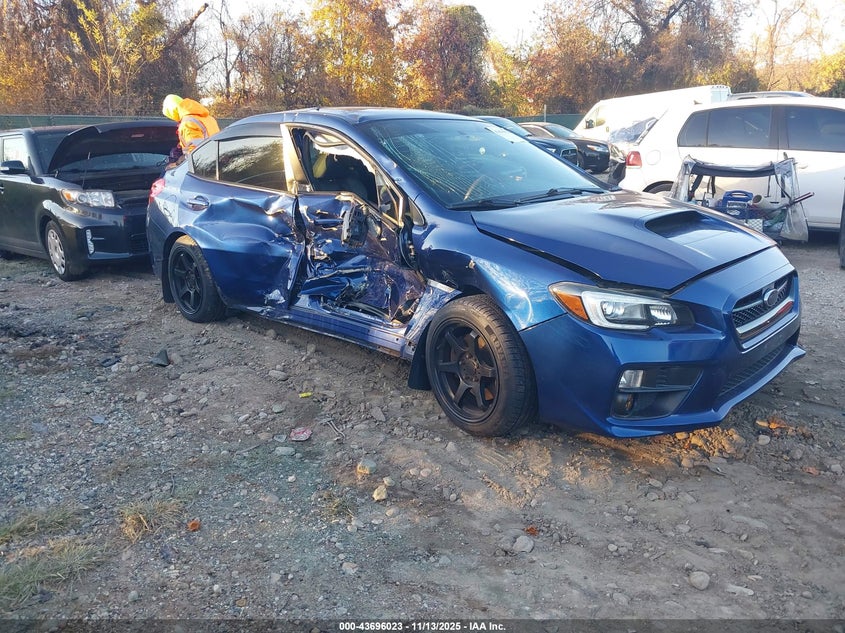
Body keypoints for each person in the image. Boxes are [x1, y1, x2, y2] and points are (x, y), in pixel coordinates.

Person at [161, 94, 220, 159]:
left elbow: (195, 153)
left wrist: (178, 163)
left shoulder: (187, 123)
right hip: (216, 160)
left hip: (204, 164)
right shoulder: (208, 118)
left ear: (172, 112)